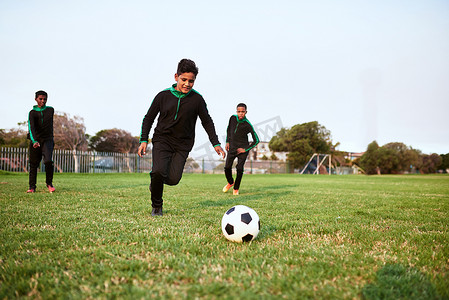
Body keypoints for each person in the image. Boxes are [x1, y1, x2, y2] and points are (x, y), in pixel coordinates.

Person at [138, 59, 226, 216]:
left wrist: (215, 143)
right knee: (158, 171)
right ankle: (157, 206)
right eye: (183, 79)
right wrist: (144, 140)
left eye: (191, 81)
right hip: (162, 140)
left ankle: (155, 183)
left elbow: (207, 121)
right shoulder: (162, 96)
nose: (187, 84)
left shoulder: (197, 100)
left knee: (173, 179)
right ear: (176, 77)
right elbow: (149, 118)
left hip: (183, 144)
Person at [222, 103, 259, 195]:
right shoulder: (232, 118)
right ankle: (230, 182)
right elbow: (229, 129)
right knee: (227, 167)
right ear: (236, 112)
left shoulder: (247, 124)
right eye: (239, 111)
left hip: (243, 149)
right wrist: (227, 142)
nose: (240, 113)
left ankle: (236, 188)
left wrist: (245, 149)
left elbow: (256, 140)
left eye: (243, 112)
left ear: (246, 112)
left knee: (239, 168)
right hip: (232, 147)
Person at [27, 90, 55, 193]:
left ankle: (49, 183)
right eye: (40, 99)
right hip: (35, 140)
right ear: (36, 99)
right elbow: (31, 127)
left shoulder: (50, 110)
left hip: (48, 140)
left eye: (45, 99)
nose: (43, 101)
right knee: (34, 164)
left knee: (48, 161)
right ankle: (32, 187)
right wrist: (34, 141)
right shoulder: (32, 113)